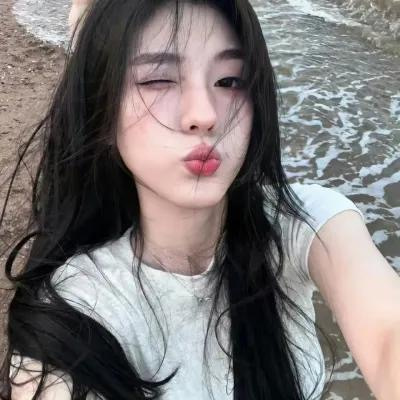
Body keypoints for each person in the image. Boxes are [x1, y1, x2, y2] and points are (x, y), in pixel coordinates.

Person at [1, 1, 399, 399]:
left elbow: (388, 337)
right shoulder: (76, 315)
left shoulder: (302, 223)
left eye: (229, 80)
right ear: (101, 110)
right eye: (158, 80)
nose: (205, 115)